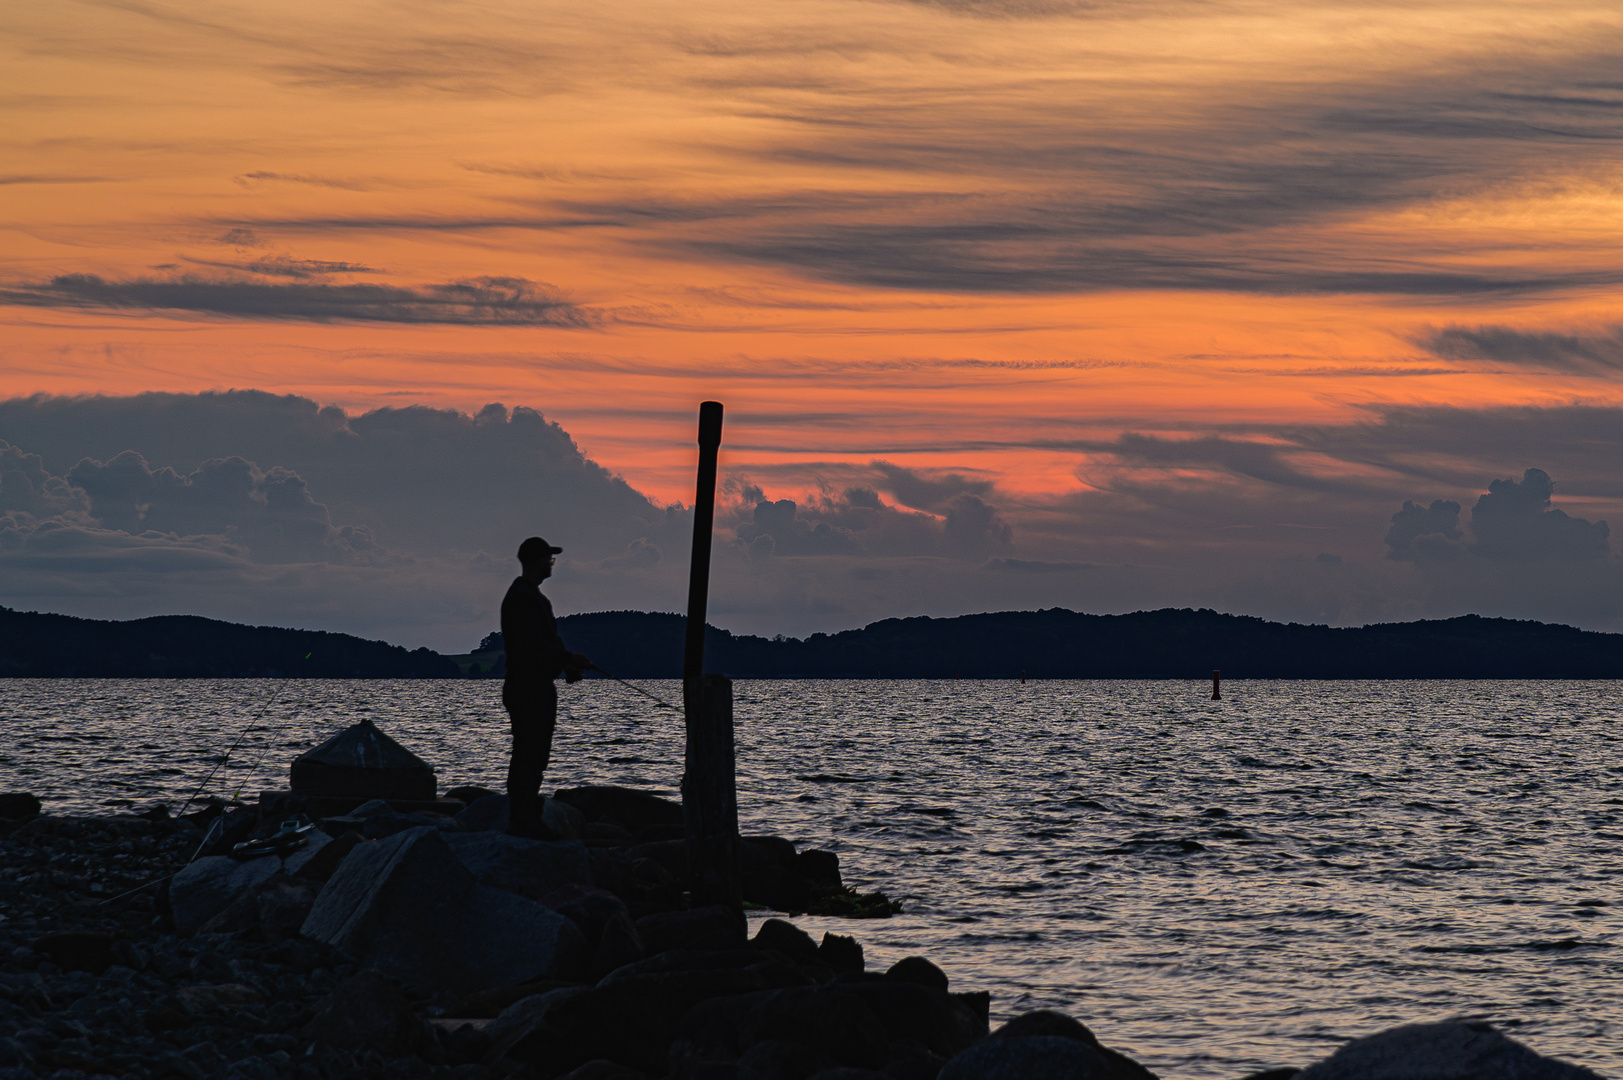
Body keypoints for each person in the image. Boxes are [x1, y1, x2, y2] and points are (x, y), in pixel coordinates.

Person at [501, 535, 590, 838]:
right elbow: (532, 646)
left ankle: (525, 818)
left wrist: (566, 666)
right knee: (529, 754)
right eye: (549, 559)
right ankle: (522, 821)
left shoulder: (531, 597)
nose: (552, 564)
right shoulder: (524, 598)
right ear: (536, 561)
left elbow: (544, 644)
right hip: (528, 689)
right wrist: (568, 658)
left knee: (534, 755)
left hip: (534, 686)